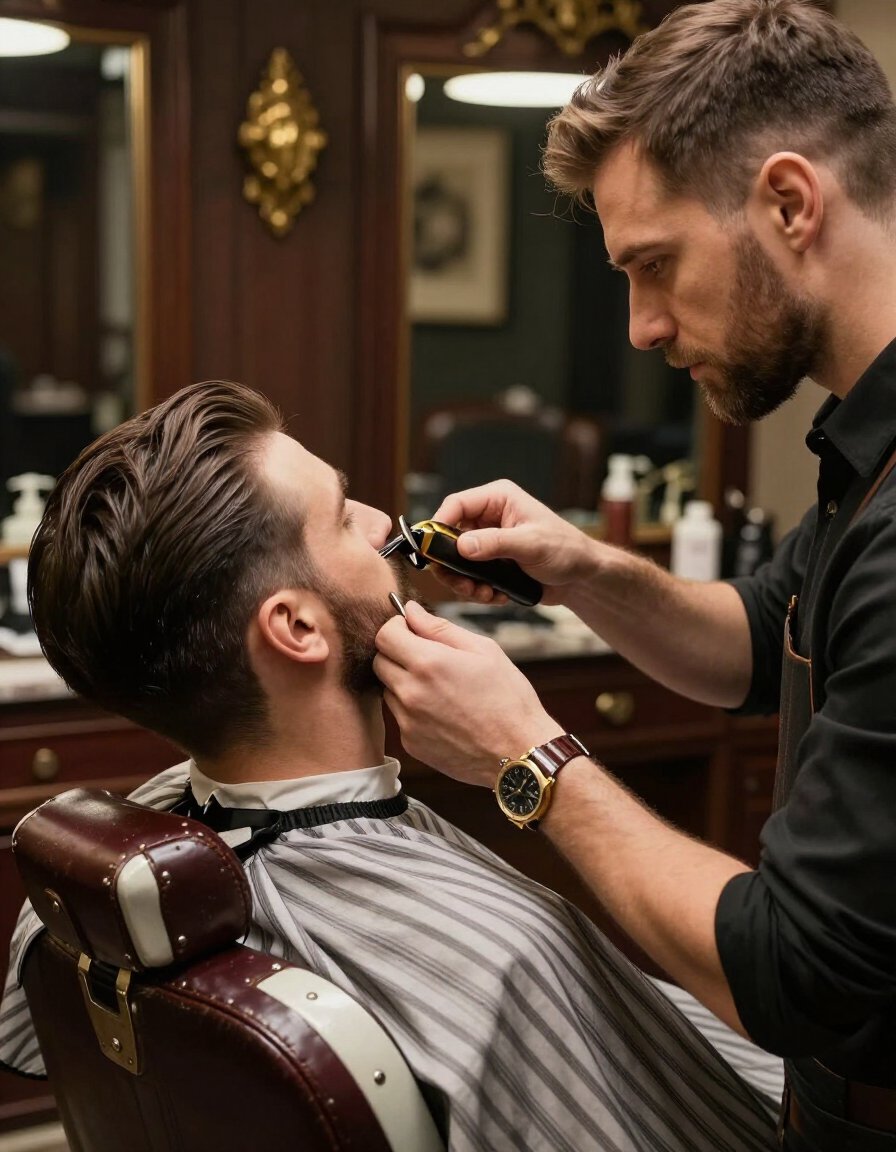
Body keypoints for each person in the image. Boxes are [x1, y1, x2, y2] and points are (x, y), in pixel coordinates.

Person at [0, 380, 781, 1151]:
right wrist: (533, 748)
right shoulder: (499, 968)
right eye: (344, 515)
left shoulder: (90, 886)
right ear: (298, 627)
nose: (385, 522)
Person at [373, 2, 896, 1150]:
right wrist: (583, 569)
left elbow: (795, 971)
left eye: (652, 266)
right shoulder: (866, 444)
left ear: (789, 202)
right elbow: (763, 641)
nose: (641, 328)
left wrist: (528, 757)